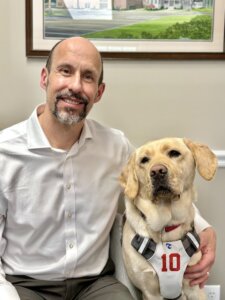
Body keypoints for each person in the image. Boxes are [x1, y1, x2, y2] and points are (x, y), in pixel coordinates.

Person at [0, 37, 216, 300]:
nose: (75, 86)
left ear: (99, 92)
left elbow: (152, 189)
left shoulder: (116, 147)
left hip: (95, 285)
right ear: (45, 78)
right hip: (26, 285)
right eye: (65, 71)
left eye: (88, 77)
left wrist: (204, 229)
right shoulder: (4, 153)